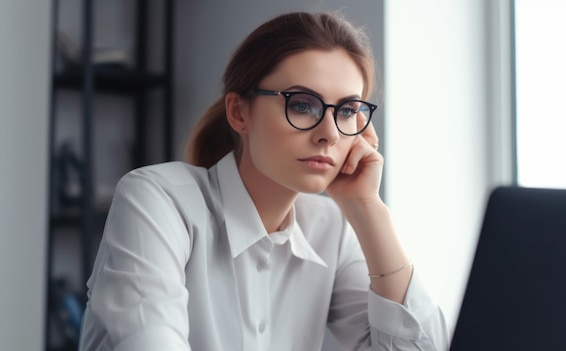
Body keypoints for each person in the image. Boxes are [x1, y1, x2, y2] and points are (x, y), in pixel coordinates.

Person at [78, 11, 449, 351]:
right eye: (302, 104)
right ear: (239, 112)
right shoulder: (157, 200)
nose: (330, 134)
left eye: (349, 110)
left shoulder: (331, 230)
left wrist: (368, 211)